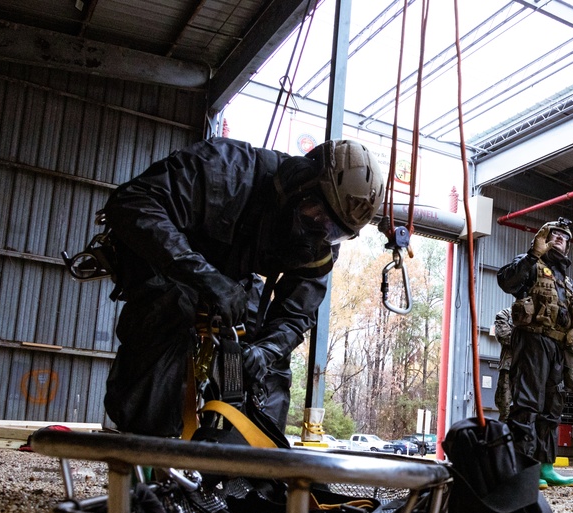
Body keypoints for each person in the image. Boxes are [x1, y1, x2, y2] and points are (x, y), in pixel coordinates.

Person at [100, 137, 385, 437]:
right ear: (299, 181)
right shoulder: (228, 169)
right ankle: (149, 446)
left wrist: (266, 351)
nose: (320, 232)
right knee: (170, 309)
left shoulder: (320, 240)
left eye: (336, 231)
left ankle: (254, 468)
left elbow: (297, 312)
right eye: (318, 215)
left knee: (267, 360)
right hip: (165, 260)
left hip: (232, 278)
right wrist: (206, 279)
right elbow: (133, 203)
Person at [497, 218, 573, 488]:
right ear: (543, 237)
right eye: (553, 234)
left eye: (563, 237)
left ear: (568, 246)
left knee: (552, 409)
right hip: (531, 341)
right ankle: (522, 467)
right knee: (527, 404)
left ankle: (545, 466)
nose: (558, 239)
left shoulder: (567, 282)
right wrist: (533, 254)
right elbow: (506, 281)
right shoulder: (530, 264)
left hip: (558, 347)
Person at [493, 306, 514, 422]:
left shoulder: (539, 315)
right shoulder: (506, 314)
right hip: (509, 368)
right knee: (505, 410)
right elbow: (504, 336)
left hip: (531, 371)